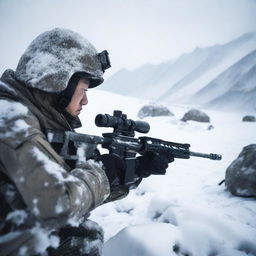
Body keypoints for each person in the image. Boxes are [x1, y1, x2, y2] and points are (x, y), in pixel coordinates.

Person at [0, 28, 172, 256]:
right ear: (58, 82)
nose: (86, 100)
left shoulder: (24, 116)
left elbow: (73, 193)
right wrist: (100, 171)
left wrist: (134, 171)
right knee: (77, 239)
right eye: (82, 90)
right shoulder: (11, 123)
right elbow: (58, 204)